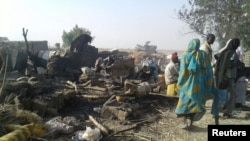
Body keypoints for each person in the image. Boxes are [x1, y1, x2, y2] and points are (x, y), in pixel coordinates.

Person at [175, 38, 213, 129]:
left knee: (185, 102)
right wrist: (208, 83)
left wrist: (180, 83)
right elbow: (209, 70)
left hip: (187, 84)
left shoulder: (185, 55)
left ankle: (184, 122)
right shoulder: (203, 55)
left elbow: (183, 71)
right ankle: (191, 123)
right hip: (200, 84)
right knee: (195, 103)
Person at [214, 38, 241, 118]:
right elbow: (230, 64)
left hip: (221, 76)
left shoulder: (223, 52)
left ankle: (216, 111)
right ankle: (228, 112)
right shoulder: (233, 53)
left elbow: (217, 58)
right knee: (232, 95)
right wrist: (238, 63)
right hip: (229, 77)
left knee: (220, 94)